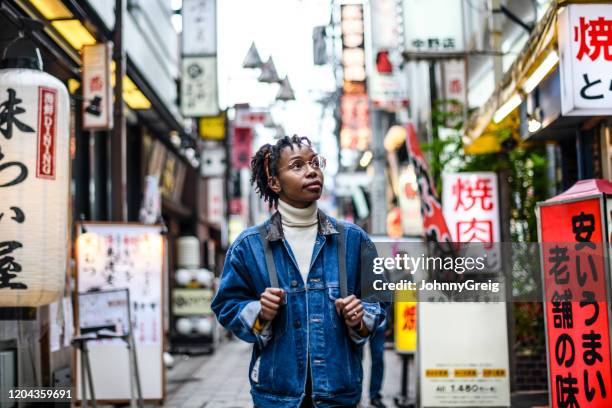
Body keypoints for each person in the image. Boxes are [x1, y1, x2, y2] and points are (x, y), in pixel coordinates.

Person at [212, 135, 387, 408]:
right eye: (297, 165)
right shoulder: (249, 246)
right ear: (274, 182)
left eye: (315, 162)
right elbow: (226, 305)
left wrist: (359, 317)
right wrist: (260, 312)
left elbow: (378, 301)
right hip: (276, 396)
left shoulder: (353, 240)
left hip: (338, 395)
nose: (312, 170)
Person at [368, 318, 387, 408]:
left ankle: (374, 395)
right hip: (356, 316)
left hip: (379, 321)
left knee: (378, 359)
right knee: (355, 357)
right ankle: (355, 393)